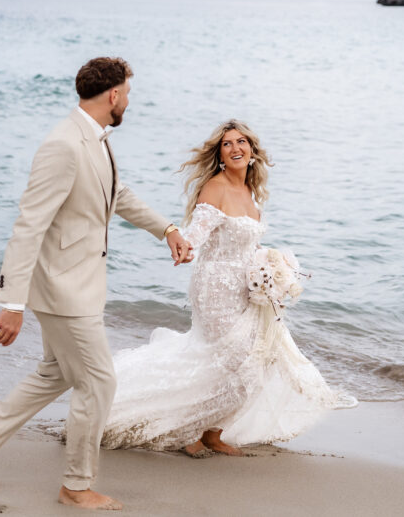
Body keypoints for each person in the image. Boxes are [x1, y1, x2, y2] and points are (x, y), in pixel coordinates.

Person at [0, 57, 192, 511]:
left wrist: (166, 229)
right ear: (114, 95)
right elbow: (29, 224)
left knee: (58, 373)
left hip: (80, 283)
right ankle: (75, 486)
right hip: (62, 288)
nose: (129, 102)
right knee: (99, 382)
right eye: (128, 93)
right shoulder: (63, 144)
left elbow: (116, 194)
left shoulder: (95, 138)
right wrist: (13, 303)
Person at [101, 119, 356, 456]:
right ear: (220, 155)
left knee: (258, 360)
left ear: (252, 150)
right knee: (224, 359)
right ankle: (188, 431)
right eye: (227, 144)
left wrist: (273, 269)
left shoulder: (252, 192)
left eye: (241, 142)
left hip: (246, 290)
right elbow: (196, 234)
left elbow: (249, 245)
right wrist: (183, 246)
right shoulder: (215, 188)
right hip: (215, 288)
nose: (235, 148)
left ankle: (213, 432)